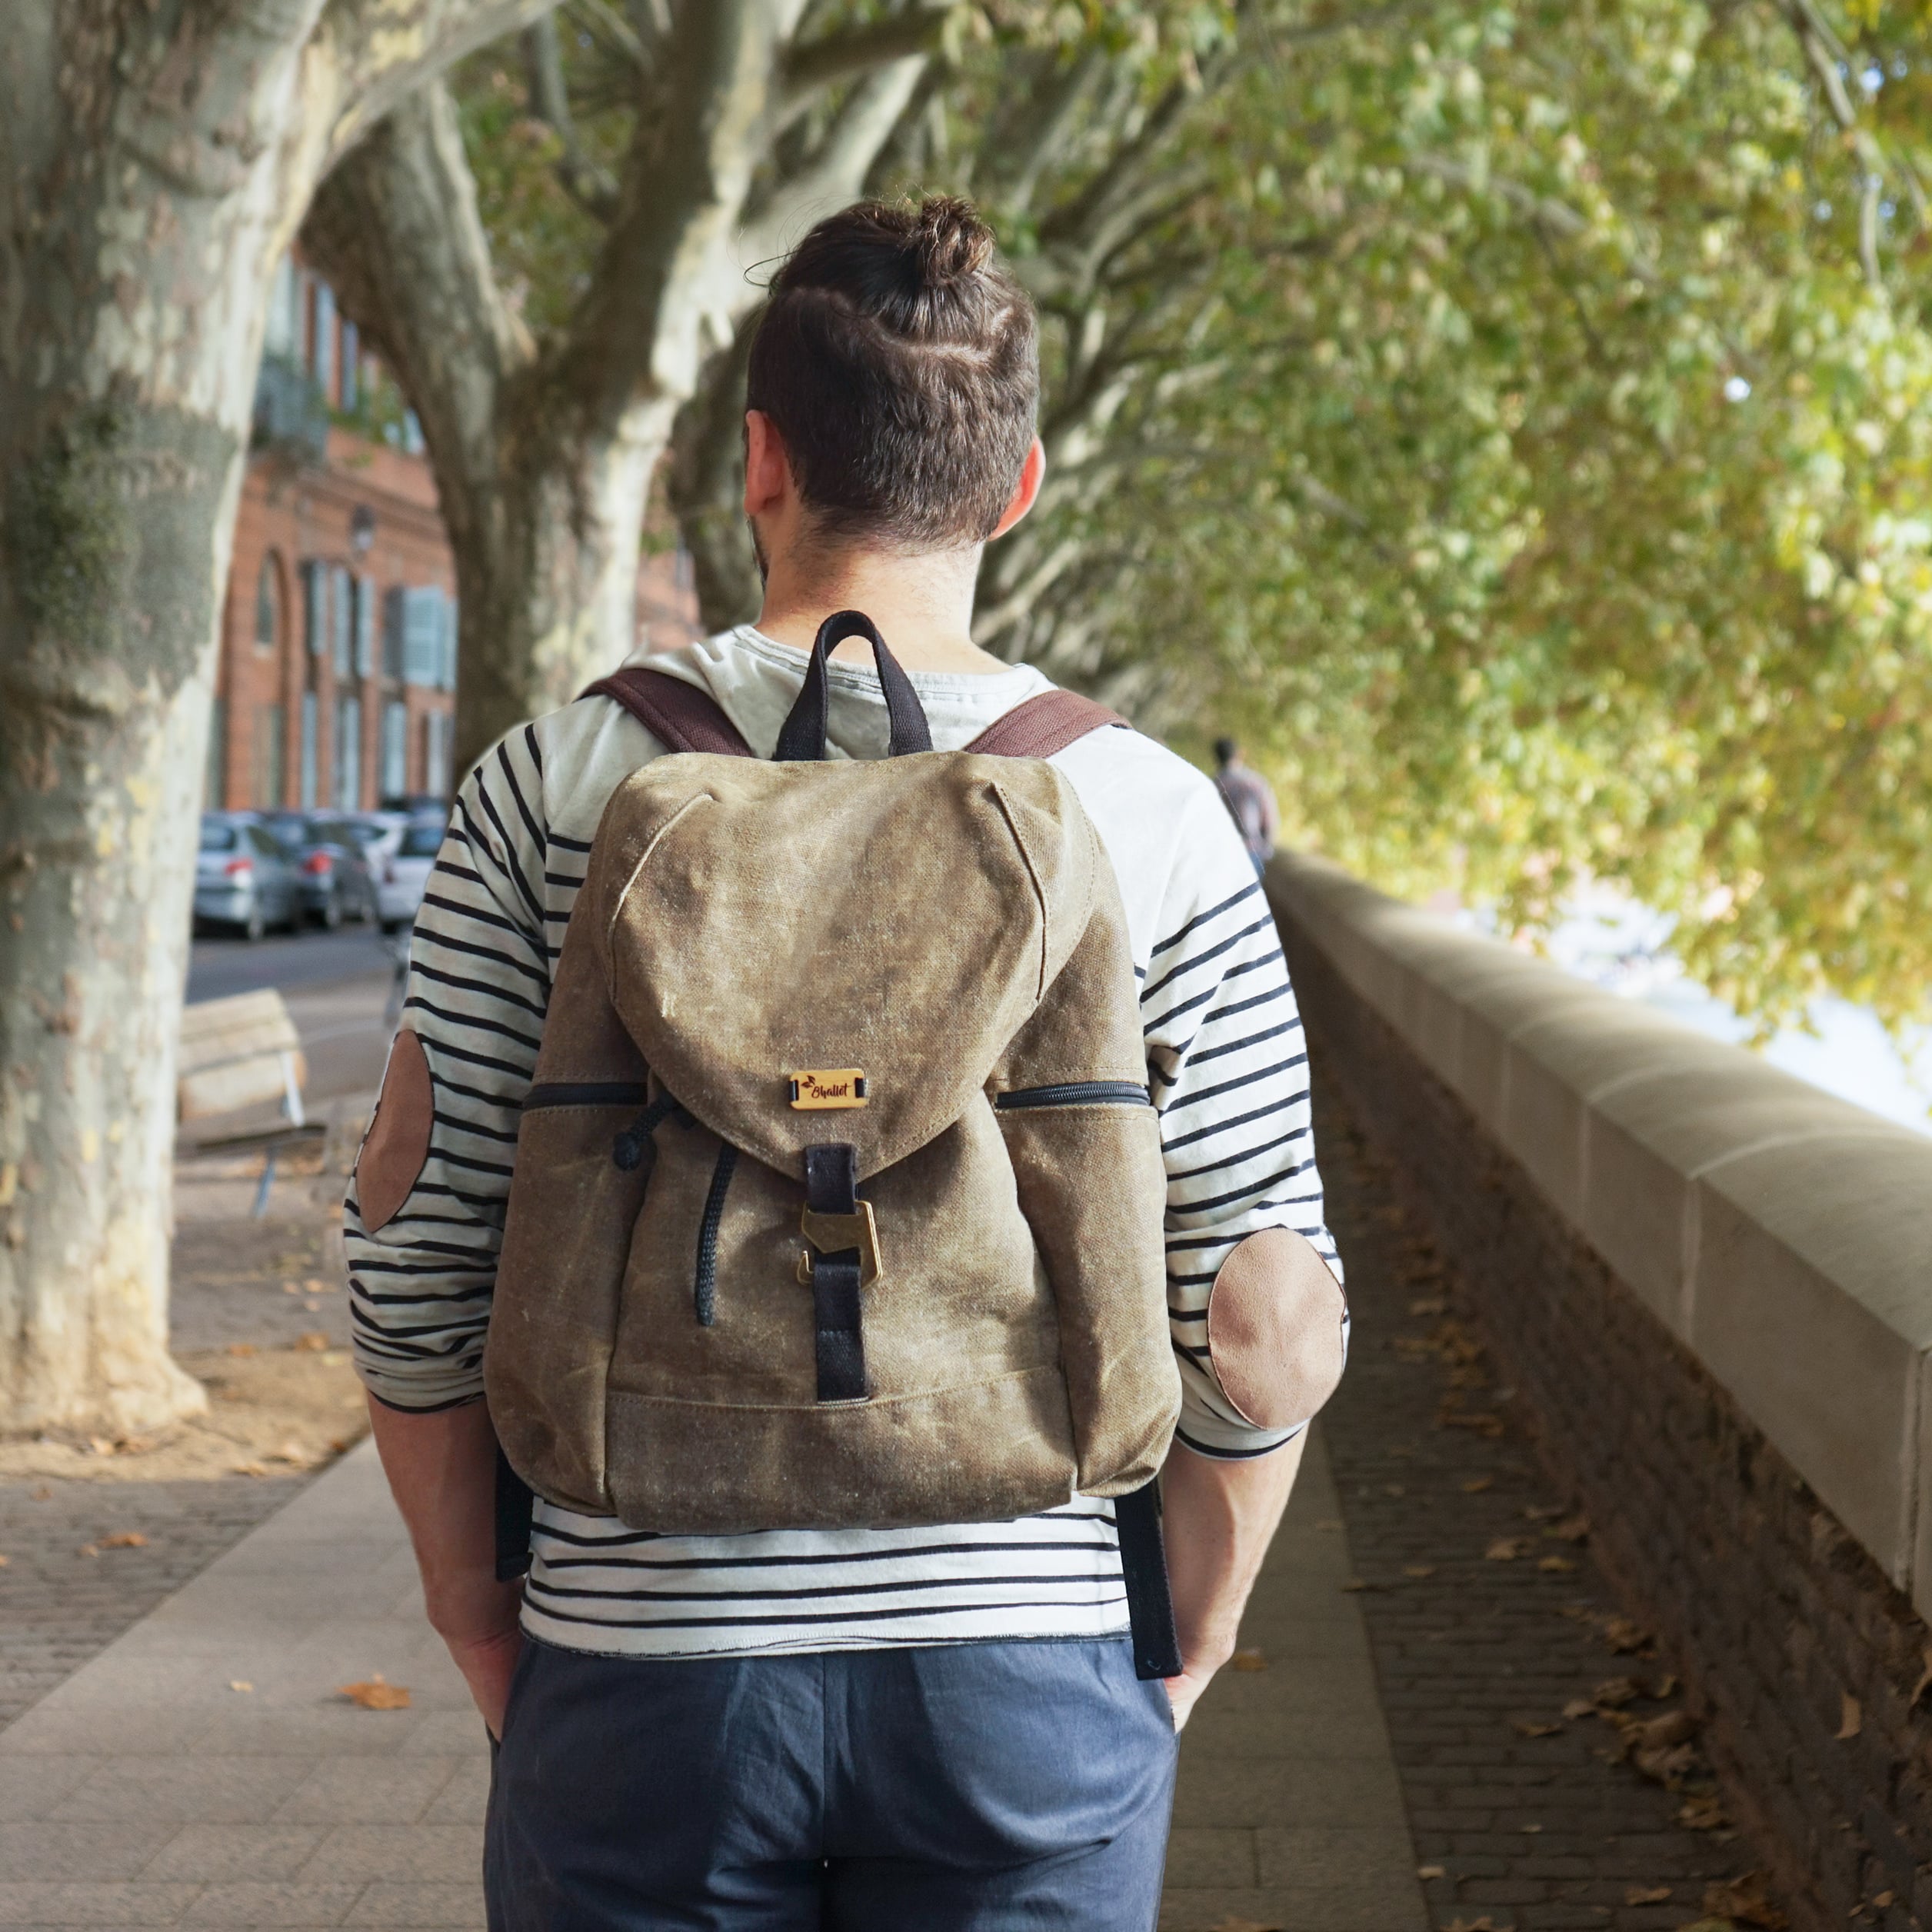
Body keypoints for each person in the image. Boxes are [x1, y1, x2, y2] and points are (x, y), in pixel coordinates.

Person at [345, 195, 1341, 1931]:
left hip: (638, 1663)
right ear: (1014, 485)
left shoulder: (552, 785)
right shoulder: (1149, 818)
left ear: (755, 460)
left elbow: (416, 1249)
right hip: (1025, 1670)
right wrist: (1183, 1639)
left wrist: (480, 1615)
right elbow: (1253, 1309)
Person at [1213, 736, 1280, 873]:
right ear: (1238, 754)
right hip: (1252, 851)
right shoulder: (1257, 782)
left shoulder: (1214, 785)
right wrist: (1267, 848)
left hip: (1223, 853)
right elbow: (1270, 820)